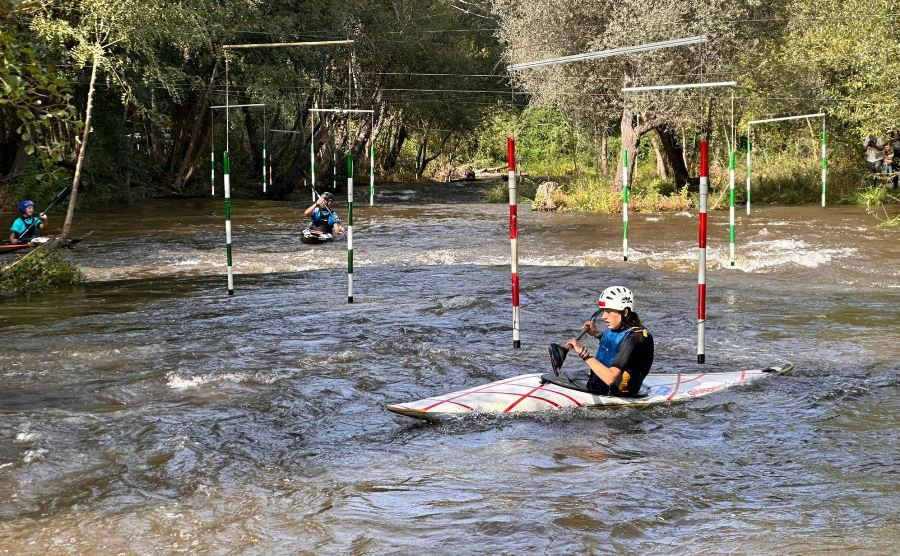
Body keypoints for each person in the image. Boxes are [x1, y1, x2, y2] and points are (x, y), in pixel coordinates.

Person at [563, 286, 654, 397]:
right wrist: (596, 333)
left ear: (625, 312)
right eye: (603, 311)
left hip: (618, 395)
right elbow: (617, 344)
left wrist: (583, 354)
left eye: (608, 311)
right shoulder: (621, 329)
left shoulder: (636, 338)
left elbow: (610, 378)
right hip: (598, 388)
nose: (603, 316)